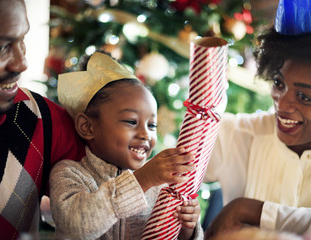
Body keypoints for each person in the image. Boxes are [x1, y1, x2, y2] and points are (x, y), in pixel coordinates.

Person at [204, 0, 311, 238]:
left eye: (304, 97)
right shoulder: (235, 134)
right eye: (278, 83)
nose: (282, 104)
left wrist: (249, 210)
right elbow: (166, 182)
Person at [0, 0, 85, 239]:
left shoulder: (41, 119)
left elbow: (109, 203)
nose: (22, 63)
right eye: (0, 48)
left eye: (22, 40)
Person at [49, 52, 204, 240]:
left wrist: (187, 227)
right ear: (87, 127)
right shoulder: (70, 173)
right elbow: (73, 226)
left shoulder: (160, 188)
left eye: (152, 125)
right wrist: (142, 180)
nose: (146, 134)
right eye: (131, 121)